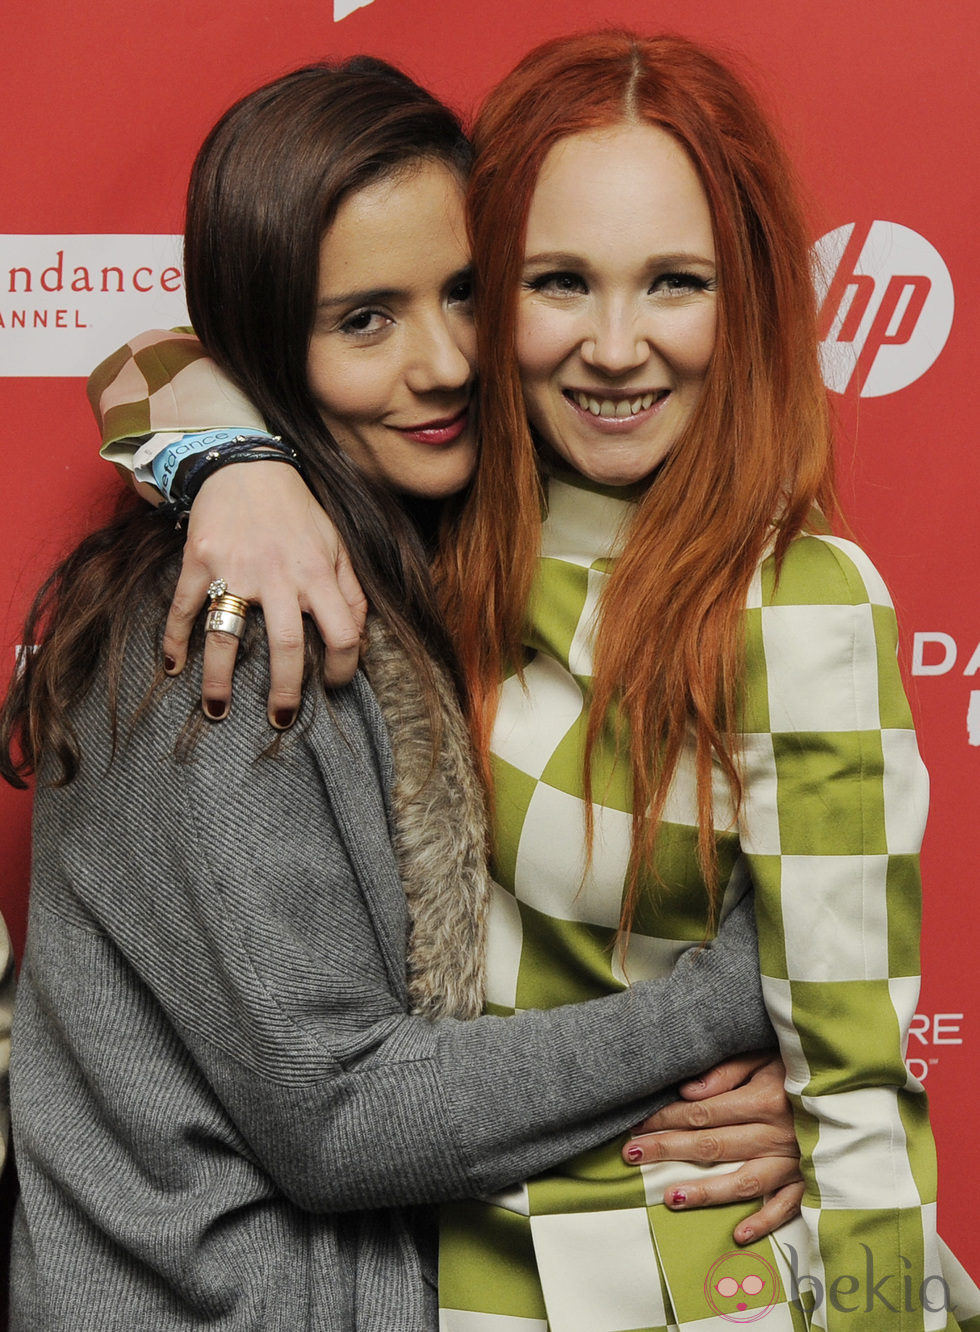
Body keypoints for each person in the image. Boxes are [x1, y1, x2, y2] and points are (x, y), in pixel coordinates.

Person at [102, 31, 980, 1331]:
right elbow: (151, 359)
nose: (615, 347)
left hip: (688, 1281)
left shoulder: (799, 603)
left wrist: (844, 1212)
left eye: (673, 283)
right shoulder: (437, 520)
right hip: (436, 1279)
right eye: (558, 281)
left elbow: (857, 1097)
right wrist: (236, 468)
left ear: (743, 300)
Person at [0, 57, 792, 1331]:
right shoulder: (234, 627)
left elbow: (155, 361)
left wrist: (768, 1096)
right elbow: (340, 1112)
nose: (441, 363)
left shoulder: (444, 543)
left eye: (468, 293)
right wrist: (741, 996)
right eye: (361, 319)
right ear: (271, 344)